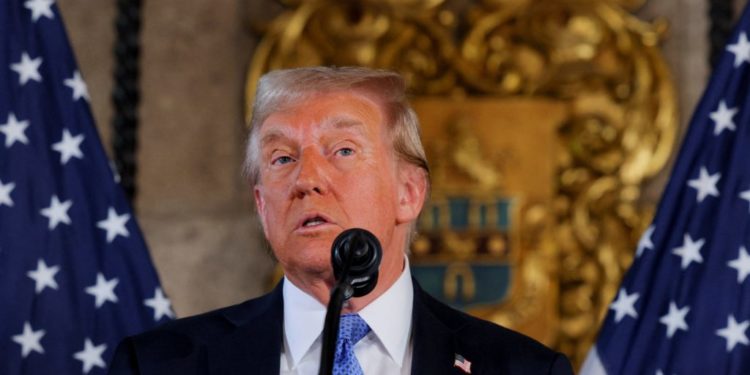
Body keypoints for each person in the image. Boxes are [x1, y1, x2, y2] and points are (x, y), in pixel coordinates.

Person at [108, 66, 574, 374]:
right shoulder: (157, 365)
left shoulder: (521, 369)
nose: (306, 179)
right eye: (281, 158)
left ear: (409, 193)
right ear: (261, 204)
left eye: (343, 151)